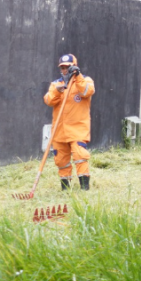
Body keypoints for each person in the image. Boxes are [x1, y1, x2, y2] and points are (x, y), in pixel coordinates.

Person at [44, 54, 96, 190]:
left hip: (78, 128)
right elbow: (49, 100)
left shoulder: (85, 80)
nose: (65, 70)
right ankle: (65, 188)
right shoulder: (56, 84)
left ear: (73, 66)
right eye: (62, 67)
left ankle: (84, 187)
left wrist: (77, 77)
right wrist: (57, 92)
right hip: (59, 130)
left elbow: (87, 91)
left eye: (67, 67)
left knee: (80, 155)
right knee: (61, 160)